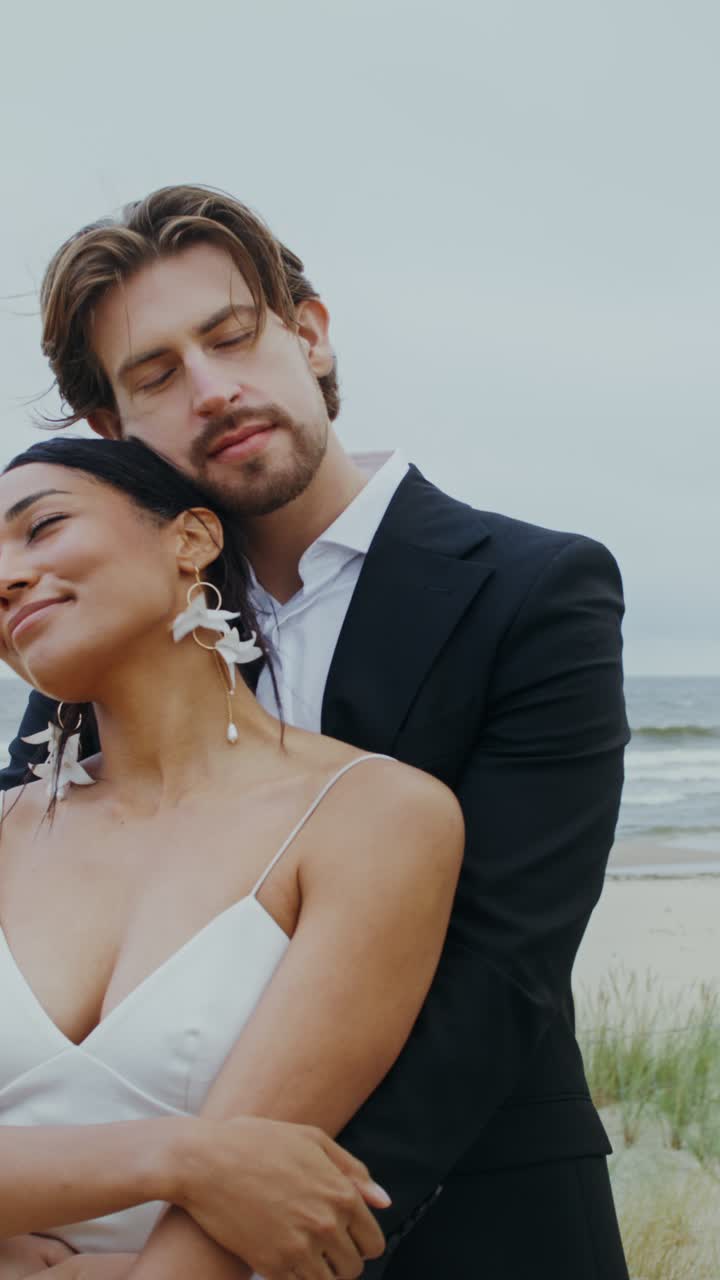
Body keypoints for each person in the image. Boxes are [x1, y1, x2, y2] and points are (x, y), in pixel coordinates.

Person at [2, 184, 631, 1279]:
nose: (213, 387)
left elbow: (497, 973)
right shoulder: (108, 615)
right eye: (156, 373)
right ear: (113, 432)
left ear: (310, 332)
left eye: (233, 335)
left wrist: (212, 1260)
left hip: (463, 1218)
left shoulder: (536, 590)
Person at [0, 437, 463, 1280]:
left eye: (43, 526)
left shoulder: (374, 817)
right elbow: (232, 1167)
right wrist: (179, 1157)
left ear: (191, 538)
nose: (6, 576)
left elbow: (266, 1186)